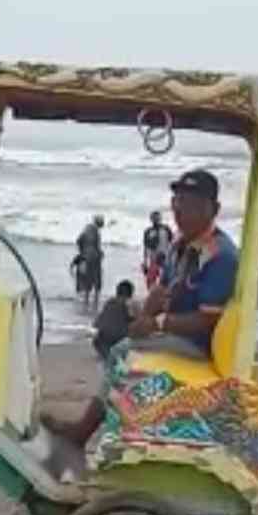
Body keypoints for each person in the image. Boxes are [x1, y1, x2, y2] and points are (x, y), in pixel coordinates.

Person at [49, 170, 238, 447]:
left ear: (214, 209)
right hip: (172, 333)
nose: (182, 211)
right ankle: (106, 430)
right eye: (178, 202)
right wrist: (147, 313)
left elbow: (208, 320)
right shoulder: (178, 244)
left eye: (193, 205)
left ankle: (84, 433)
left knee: (122, 352)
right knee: (122, 342)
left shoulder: (220, 255)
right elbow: (162, 293)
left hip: (199, 345)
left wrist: (157, 323)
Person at [92, 280, 136, 361]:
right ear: (130, 294)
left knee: (98, 340)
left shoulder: (108, 303)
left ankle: (107, 354)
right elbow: (132, 320)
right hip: (119, 340)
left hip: (102, 341)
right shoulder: (127, 305)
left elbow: (96, 323)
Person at [73, 214, 105, 310]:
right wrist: (98, 253)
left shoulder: (87, 229)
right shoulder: (94, 231)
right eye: (102, 221)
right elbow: (94, 245)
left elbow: (78, 241)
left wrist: (82, 252)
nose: (103, 223)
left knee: (88, 281)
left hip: (87, 257)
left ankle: (86, 301)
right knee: (96, 281)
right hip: (93, 258)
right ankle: (94, 302)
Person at [142, 210, 173, 288]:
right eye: (154, 218)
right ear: (151, 219)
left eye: (157, 218)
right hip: (153, 258)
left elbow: (172, 243)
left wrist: (173, 257)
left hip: (165, 257)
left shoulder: (166, 229)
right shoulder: (148, 231)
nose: (156, 220)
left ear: (160, 218)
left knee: (167, 279)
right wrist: (145, 262)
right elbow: (145, 247)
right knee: (150, 281)